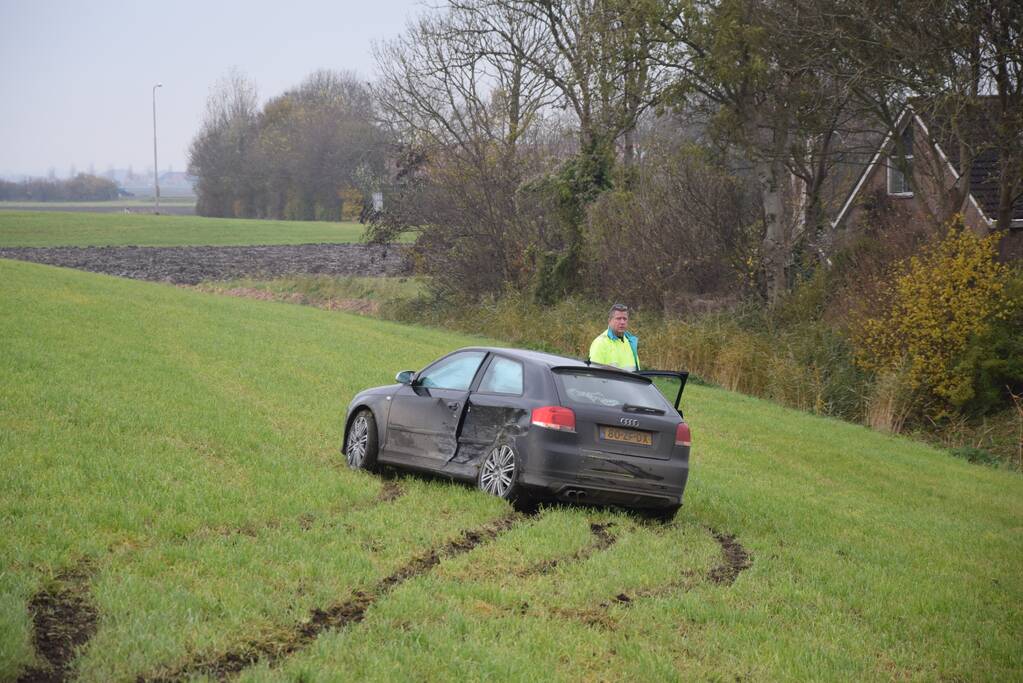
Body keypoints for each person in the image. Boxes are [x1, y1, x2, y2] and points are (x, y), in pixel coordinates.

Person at [589, 303, 640, 371]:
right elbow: (595, 373)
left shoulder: (630, 342)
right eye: (618, 318)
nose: (622, 322)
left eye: (625, 319)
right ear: (609, 321)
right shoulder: (600, 343)